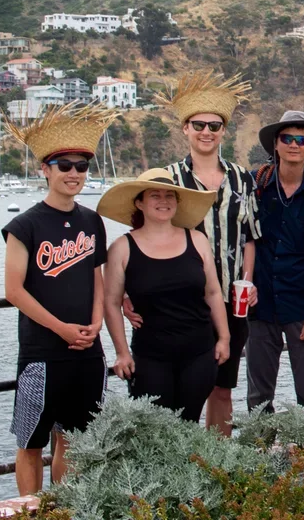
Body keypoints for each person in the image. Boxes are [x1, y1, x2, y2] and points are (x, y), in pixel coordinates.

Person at [124, 71, 260, 436]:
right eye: (198, 124)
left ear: (223, 131)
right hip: (178, 302)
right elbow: (140, 233)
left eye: (214, 126)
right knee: (172, 393)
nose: (206, 131)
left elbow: (249, 236)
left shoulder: (242, 178)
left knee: (221, 387)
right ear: (185, 129)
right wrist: (124, 291)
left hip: (229, 300)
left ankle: (215, 464)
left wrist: (247, 280)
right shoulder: (166, 179)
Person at [2, 103, 117, 494]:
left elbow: (96, 276)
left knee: (75, 440)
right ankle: (30, 511)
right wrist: (61, 328)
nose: (73, 173)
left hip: (87, 351)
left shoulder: (92, 221)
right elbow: (13, 290)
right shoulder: (25, 224)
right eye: (63, 165)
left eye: (81, 166)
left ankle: (67, 509)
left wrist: (96, 323)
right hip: (41, 352)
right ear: (45, 170)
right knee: (31, 442)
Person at [100, 169, 231, 423]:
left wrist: (224, 337)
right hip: (150, 356)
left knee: (189, 424)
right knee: (154, 430)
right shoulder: (121, 248)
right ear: (139, 202)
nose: (163, 201)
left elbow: (213, 292)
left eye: (170, 195)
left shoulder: (197, 239)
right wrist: (122, 352)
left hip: (200, 352)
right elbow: (111, 303)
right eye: (155, 195)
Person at [246, 110, 304, 423]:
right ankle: (258, 463)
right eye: (287, 138)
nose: (294, 145)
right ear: (275, 145)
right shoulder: (255, 185)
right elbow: (240, 240)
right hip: (261, 306)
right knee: (257, 396)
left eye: (301, 139)